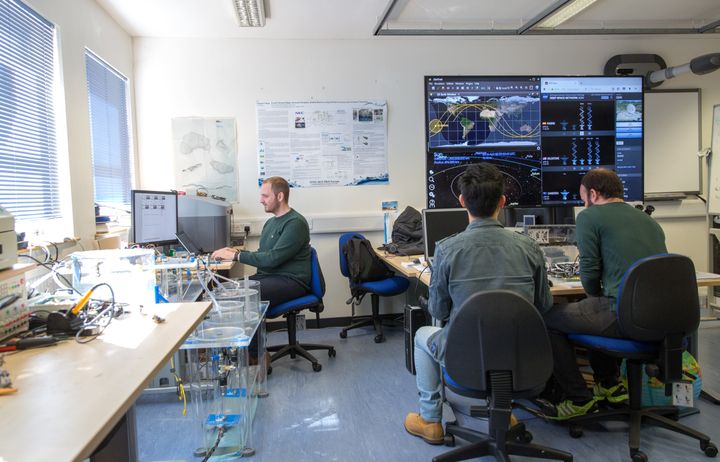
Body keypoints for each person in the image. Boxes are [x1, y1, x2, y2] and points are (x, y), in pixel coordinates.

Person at [404, 163, 553, 445]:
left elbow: (438, 311)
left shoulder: (447, 250)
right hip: (524, 357)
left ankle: (431, 420)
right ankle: (503, 410)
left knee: (423, 335)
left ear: (461, 201)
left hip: (467, 358)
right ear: (502, 202)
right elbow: (544, 306)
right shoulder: (529, 247)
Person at [541, 168, 667, 420]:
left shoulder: (590, 217)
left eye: (583, 197)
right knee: (592, 310)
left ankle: (578, 398)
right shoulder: (649, 220)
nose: (583, 203)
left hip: (623, 315)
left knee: (547, 317)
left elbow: (589, 272)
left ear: (593, 194)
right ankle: (609, 384)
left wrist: (593, 296)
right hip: (663, 317)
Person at [212, 176, 311, 309]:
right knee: (221, 290)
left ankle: (249, 330)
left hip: (291, 280)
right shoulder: (270, 222)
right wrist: (236, 252)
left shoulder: (295, 223)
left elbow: (272, 259)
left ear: (280, 196)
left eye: (265, 196)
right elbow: (264, 254)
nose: (261, 200)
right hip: (268, 277)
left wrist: (236, 256)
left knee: (234, 297)